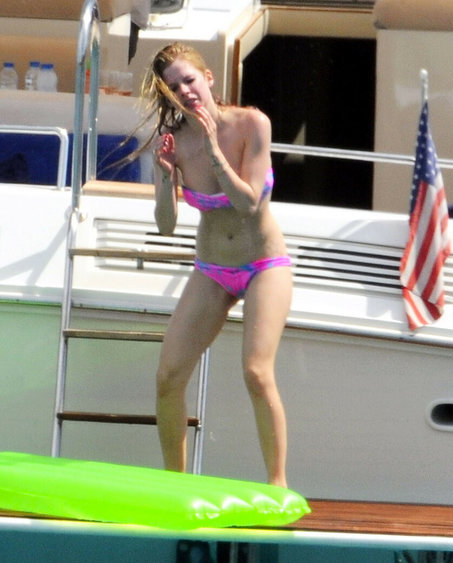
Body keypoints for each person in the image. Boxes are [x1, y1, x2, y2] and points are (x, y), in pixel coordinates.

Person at [143, 42, 292, 487]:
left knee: (256, 372)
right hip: (213, 269)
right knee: (168, 376)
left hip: (264, 264)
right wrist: (165, 176)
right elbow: (166, 226)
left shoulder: (251, 124)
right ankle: (175, 485)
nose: (184, 91)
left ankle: (277, 484)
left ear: (208, 79)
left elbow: (249, 204)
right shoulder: (173, 142)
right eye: (173, 88)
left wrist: (212, 149)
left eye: (189, 80)